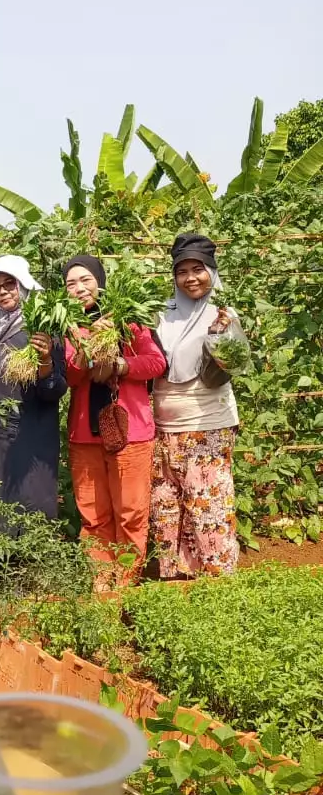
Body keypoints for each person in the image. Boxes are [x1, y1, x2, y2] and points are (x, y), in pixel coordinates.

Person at [63, 254, 167, 587]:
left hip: (131, 433)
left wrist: (122, 363)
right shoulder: (69, 328)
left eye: (86, 280)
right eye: (71, 283)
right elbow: (70, 376)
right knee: (93, 515)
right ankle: (100, 585)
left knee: (131, 514)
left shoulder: (129, 321)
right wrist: (88, 343)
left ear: (100, 282)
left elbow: (156, 363)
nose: (79, 289)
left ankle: (125, 585)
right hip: (85, 435)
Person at [151, 233, 241, 578]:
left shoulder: (223, 314)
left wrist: (219, 338)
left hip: (208, 425)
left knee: (208, 506)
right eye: (182, 271)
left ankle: (218, 582)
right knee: (167, 507)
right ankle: (176, 582)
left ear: (212, 272)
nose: (190, 278)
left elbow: (228, 370)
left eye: (198, 269)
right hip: (163, 428)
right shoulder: (161, 313)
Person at [0, 255, 67, 529]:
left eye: (10, 284)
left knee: (19, 503)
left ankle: (21, 568)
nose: (3, 291)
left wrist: (44, 362)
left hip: (22, 436)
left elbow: (53, 389)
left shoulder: (40, 330)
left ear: (24, 285)